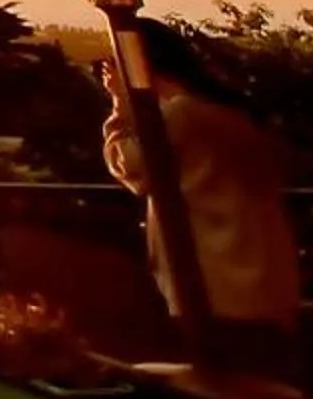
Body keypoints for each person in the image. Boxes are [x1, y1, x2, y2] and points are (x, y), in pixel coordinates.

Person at [99, 20, 302, 379]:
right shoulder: (233, 114)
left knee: (226, 388)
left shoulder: (181, 115)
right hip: (264, 282)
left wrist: (120, 106)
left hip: (215, 286)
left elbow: (131, 166)